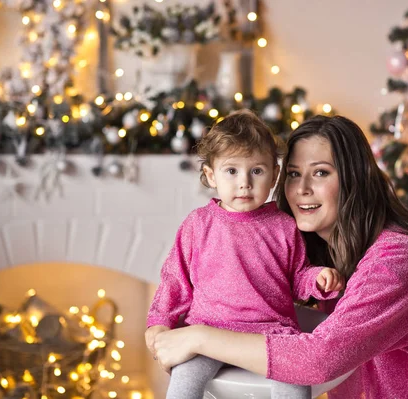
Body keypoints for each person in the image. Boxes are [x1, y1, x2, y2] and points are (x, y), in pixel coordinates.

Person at [149, 115, 408, 399]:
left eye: (320, 172)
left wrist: (198, 338)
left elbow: (318, 359)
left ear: (354, 180)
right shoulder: (323, 250)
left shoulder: (399, 258)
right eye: (293, 174)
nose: (302, 188)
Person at [145, 110, 344, 399]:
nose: (245, 183)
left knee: (297, 383)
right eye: (232, 171)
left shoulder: (285, 225)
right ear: (211, 175)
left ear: (275, 175)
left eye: (257, 171)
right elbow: (176, 280)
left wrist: (318, 278)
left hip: (272, 333)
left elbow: (297, 276)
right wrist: (160, 323)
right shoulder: (198, 224)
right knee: (182, 383)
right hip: (208, 329)